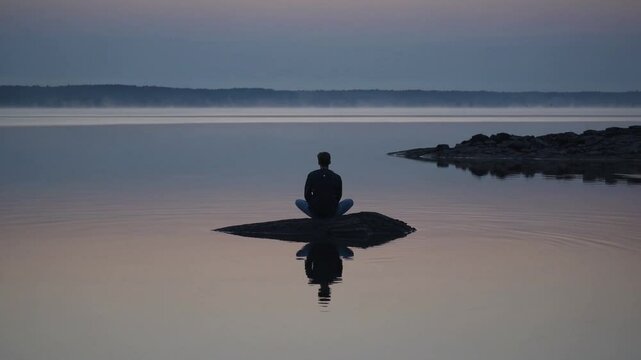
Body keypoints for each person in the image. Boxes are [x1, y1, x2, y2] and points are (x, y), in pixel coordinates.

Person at [295, 152, 354, 218]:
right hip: (332, 213)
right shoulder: (337, 177)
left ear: (318, 162)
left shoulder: (311, 175)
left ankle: (317, 215)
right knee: (349, 201)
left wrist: (314, 204)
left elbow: (307, 195)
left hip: (315, 213)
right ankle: (331, 215)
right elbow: (339, 196)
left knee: (298, 201)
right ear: (330, 162)